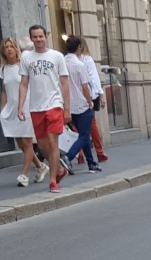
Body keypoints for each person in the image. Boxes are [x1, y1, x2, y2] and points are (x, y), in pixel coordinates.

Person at [18, 24, 71, 193]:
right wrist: (21, 106)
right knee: (41, 145)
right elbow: (24, 83)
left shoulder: (57, 56)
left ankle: (53, 180)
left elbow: (64, 83)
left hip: (54, 104)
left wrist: (66, 108)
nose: (38, 40)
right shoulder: (27, 58)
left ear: (46, 36)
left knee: (52, 141)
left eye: (41, 36)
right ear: (31, 38)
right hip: (36, 106)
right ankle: (60, 169)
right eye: (35, 37)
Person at [0, 37, 47, 186]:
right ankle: (40, 166)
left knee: (27, 142)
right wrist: (3, 109)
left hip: (25, 106)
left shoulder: (24, 65)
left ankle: (24, 175)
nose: (8, 49)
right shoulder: (3, 68)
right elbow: (4, 91)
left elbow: (32, 85)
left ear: (16, 49)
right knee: (20, 143)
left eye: (11, 46)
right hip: (11, 108)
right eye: (6, 47)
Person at [61, 37, 99, 173]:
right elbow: (85, 87)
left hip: (68, 106)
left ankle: (91, 163)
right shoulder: (80, 65)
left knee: (82, 134)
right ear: (79, 47)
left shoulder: (61, 63)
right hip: (82, 105)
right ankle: (68, 157)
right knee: (84, 135)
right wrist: (90, 101)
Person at [78, 37, 108, 162]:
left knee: (77, 127)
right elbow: (93, 78)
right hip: (87, 95)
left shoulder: (67, 59)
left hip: (75, 96)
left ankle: (79, 154)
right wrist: (100, 94)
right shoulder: (87, 59)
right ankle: (99, 152)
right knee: (91, 124)